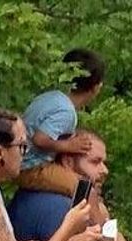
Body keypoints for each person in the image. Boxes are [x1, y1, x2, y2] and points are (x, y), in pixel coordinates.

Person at [18, 50, 106, 196]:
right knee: (85, 190)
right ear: (97, 87)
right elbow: (40, 139)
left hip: (26, 162)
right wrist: (69, 146)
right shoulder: (66, 112)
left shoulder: (51, 97)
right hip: (31, 168)